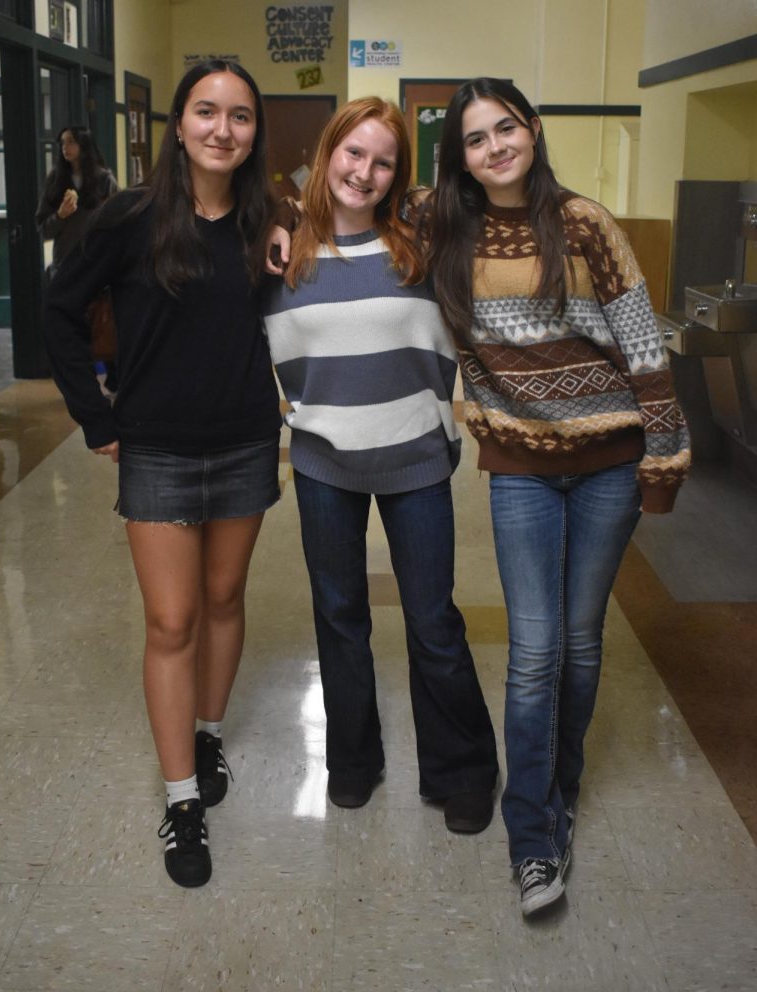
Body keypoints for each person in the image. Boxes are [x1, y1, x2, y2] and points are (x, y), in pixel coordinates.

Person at [426, 77, 691, 916]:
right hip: (520, 468)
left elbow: (644, 343)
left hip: (610, 462)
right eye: (475, 138)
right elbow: (350, 201)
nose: (496, 146)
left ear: (533, 130)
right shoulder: (446, 227)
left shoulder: (584, 222)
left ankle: (559, 792)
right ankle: (532, 839)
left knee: (579, 645)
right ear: (459, 157)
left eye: (506, 128)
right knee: (536, 651)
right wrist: (288, 228)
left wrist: (662, 459)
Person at [44, 61, 281, 888]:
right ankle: (183, 802)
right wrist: (95, 416)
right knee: (172, 620)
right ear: (178, 124)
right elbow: (57, 307)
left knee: (223, 600)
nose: (223, 128)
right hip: (156, 451)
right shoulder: (128, 217)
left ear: (255, 132)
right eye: (207, 112)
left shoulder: (264, 221)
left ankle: (207, 731)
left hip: (248, 439)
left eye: (240, 116)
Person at [262, 97, 499, 833]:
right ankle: (354, 762)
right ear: (328, 152)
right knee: (340, 618)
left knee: (433, 621)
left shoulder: (422, 248)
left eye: (383, 160)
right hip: (325, 465)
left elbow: (481, 197)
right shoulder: (278, 255)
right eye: (352, 153)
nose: (363, 171)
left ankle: (461, 770)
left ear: (400, 175)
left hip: (418, 459)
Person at [36, 124, 118, 271]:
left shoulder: (105, 179)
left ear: (84, 144)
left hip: (95, 261)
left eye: (71, 141)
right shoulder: (55, 179)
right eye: (62, 143)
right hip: (64, 262)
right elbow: (44, 230)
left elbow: (118, 222)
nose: (65, 147)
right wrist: (60, 215)